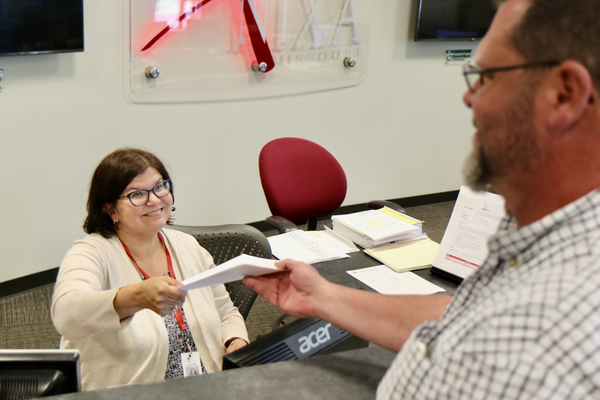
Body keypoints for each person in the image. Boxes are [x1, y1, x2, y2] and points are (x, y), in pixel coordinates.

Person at [244, 0, 600, 398]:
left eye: (487, 77)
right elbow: (464, 316)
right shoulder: (542, 232)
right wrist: (323, 296)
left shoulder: (549, 338)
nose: (469, 98)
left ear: (565, 95)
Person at [52, 148, 249, 391]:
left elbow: (226, 312)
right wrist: (135, 297)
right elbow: (66, 315)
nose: (154, 199)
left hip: (206, 386)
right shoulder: (90, 253)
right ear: (110, 209)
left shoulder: (186, 245)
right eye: (136, 194)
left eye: (159, 187)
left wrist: (235, 340)